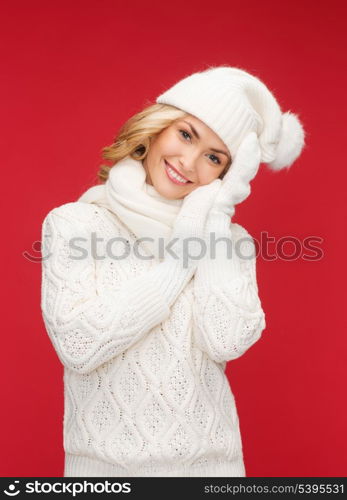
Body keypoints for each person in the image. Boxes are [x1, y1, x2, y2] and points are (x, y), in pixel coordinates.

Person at [40, 65, 305, 477]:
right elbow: (79, 346)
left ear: (227, 175)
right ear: (158, 127)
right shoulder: (76, 224)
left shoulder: (229, 242)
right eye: (186, 134)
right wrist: (180, 261)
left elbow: (226, 340)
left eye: (214, 157)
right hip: (104, 474)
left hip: (213, 471)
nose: (188, 162)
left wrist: (213, 223)